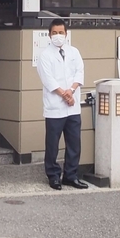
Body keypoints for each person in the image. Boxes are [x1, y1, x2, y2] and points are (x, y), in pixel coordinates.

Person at [35, 18, 87, 190]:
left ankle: (71, 175)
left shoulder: (74, 52)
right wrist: (64, 94)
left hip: (72, 105)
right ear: (49, 35)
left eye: (61, 33)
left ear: (66, 34)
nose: (58, 36)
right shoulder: (45, 55)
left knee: (74, 143)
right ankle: (53, 175)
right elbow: (48, 79)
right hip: (55, 106)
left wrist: (71, 91)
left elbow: (79, 72)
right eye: (55, 33)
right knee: (53, 144)